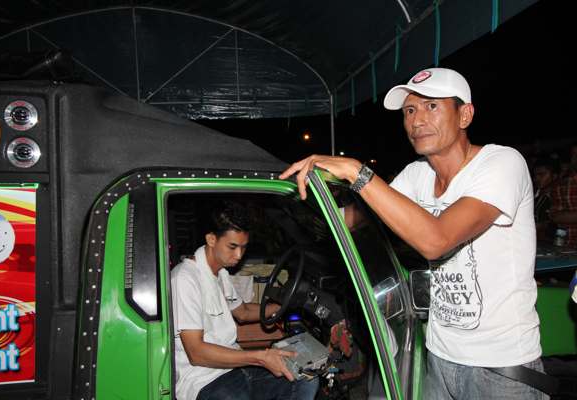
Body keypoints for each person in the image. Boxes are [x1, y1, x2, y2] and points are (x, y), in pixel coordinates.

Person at [281, 68, 546, 399]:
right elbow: (350, 220)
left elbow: (436, 241)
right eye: (409, 110)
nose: (417, 120)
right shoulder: (416, 175)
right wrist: (293, 196)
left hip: (500, 368)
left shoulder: (502, 163)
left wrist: (355, 171)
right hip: (440, 355)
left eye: (431, 106)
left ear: (465, 115)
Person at [171, 201, 319, 400]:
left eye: (243, 247)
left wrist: (282, 306)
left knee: (305, 379)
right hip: (203, 379)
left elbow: (243, 312)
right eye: (232, 247)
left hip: (236, 368)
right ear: (211, 239)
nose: (239, 255)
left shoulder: (221, 273)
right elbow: (196, 353)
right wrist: (259, 357)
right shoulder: (184, 279)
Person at [549, 143, 577, 248]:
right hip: (569, 248)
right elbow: (555, 216)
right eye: (574, 155)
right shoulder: (562, 184)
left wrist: (570, 216)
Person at [533, 157, 558, 241]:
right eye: (535, 175)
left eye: (541, 174)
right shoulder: (534, 195)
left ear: (554, 176)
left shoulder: (557, 197)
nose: (536, 179)